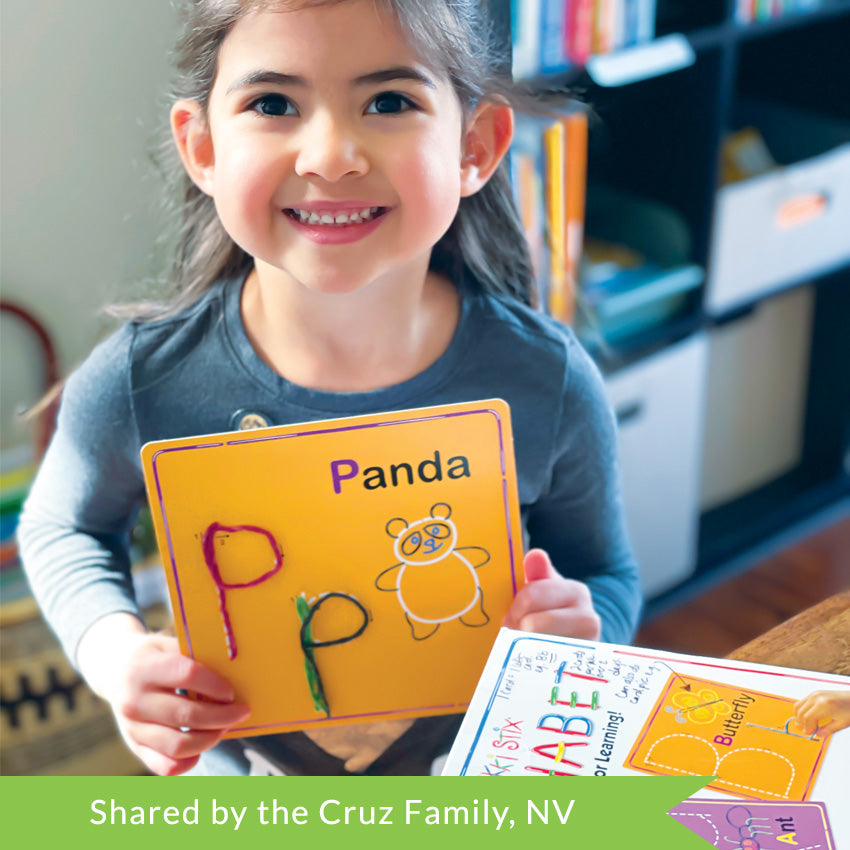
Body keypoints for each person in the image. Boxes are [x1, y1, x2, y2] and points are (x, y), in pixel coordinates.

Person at [18, 0, 640, 777]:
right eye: (273, 104)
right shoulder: (140, 382)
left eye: (389, 101)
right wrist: (114, 656)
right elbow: (61, 528)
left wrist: (582, 638)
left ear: (474, 147)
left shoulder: (544, 381)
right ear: (202, 146)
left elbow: (606, 575)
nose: (331, 155)